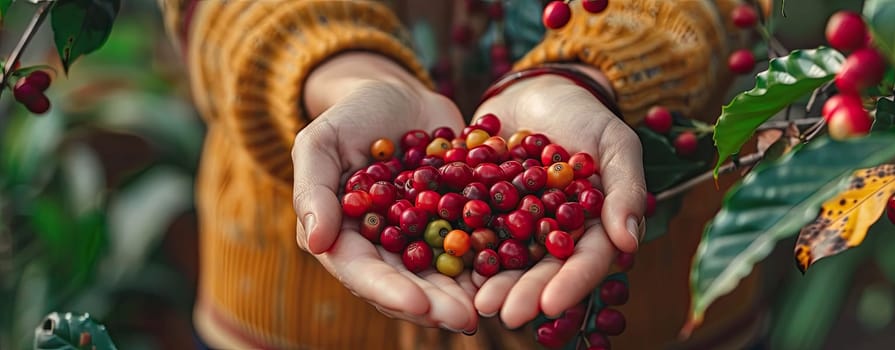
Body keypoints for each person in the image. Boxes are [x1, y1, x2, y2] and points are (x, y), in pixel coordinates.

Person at [158, 0, 766, 348]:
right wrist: (338, 69)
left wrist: (593, 74)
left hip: (665, 318)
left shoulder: (493, 192)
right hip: (294, 319)